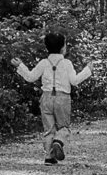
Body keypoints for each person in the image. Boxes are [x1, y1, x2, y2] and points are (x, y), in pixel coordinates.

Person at [11, 32, 94, 164]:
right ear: (63, 48)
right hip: (63, 98)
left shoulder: (44, 63)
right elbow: (74, 81)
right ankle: (58, 141)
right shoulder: (67, 63)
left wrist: (20, 66)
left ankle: (49, 157)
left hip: (46, 98)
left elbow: (31, 77)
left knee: (49, 128)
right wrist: (87, 70)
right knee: (63, 127)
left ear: (47, 47)